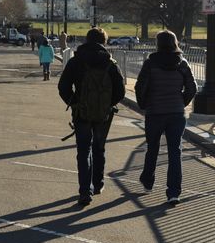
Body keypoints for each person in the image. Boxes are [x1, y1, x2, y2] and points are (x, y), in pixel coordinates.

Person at [58, 27, 125, 206]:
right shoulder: (110, 63)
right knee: (99, 148)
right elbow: (121, 91)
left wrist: (73, 102)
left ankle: (84, 191)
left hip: (81, 111)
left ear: (87, 40)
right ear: (104, 41)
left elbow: (63, 86)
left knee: (83, 150)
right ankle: (98, 184)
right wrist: (108, 104)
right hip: (103, 113)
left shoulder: (76, 60)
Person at [135, 30, 197, 205]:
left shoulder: (150, 63)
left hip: (155, 112)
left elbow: (141, 86)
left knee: (152, 147)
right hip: (176, 113)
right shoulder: (182, 63)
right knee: (175, 151)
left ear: (158, 43)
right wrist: (180, 103)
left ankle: (148, 181)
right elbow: (192, 88)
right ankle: (173, 192)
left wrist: (144, 104)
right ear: (175, 42)